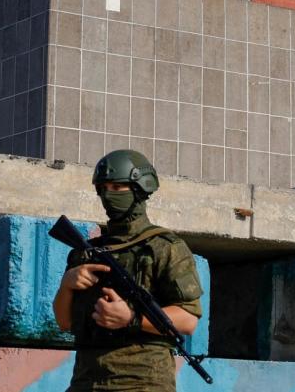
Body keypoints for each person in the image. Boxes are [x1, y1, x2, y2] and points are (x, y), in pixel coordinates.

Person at [53, 149, 204, 392]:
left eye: (117, 187)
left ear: (139, 189)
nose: (108, 195)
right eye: (103, 188)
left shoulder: (164, 247)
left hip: (141, 382)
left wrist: (131, 318)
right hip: (86, 380)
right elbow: (64, 321)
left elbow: (188, 320)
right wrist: (67, 285)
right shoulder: (87, 252)